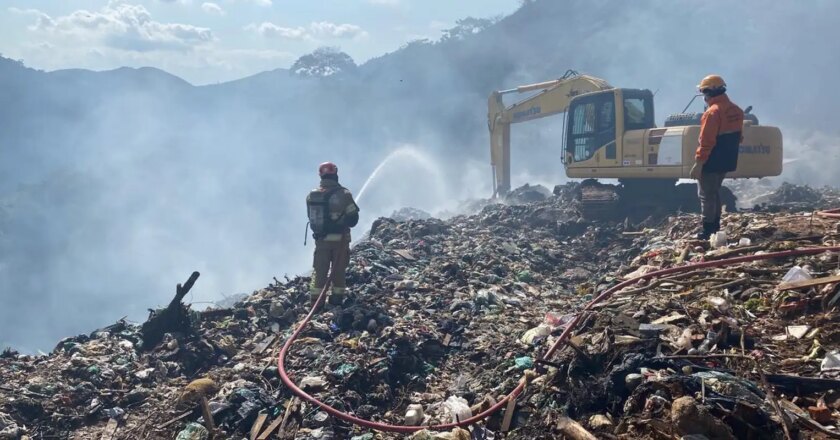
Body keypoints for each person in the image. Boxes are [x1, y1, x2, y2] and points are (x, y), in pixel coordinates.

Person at [689, 74, 744, 240]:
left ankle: (708, 230)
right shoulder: (736, 110)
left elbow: (706, 141)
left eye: (703, 92)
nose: (704, 97)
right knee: (714, 192)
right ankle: (715, 227)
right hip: (727, 159)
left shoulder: (712, 113)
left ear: (709, 92)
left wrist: (699, 163)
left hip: (712, 160)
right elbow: (739, 136)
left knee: (706, 195)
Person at [306, 162, 360, 306]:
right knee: (338, 272)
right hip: (340, 242)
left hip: (321, 241)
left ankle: (316, 303)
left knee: (319, 271)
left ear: (321, 176)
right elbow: (353, 220)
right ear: (335, 174)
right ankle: (336, 301)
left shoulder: (312, 195)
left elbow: (310, 217)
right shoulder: (344, 194)